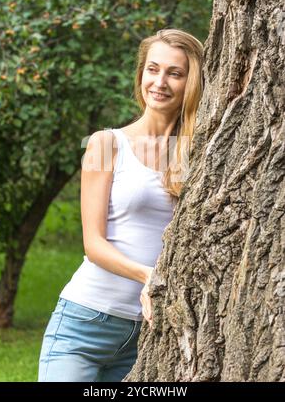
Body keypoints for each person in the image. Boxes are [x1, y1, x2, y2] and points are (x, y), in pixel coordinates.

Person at [38, 28, 203, 382]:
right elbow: (93, 245)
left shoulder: (200, 155)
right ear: (141, 73)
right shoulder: (106, 144)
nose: (160, 82)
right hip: (85, 322)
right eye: (152, 69)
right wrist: (151, 277)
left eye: (175, 73)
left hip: (149, 337)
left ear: (192, 82)